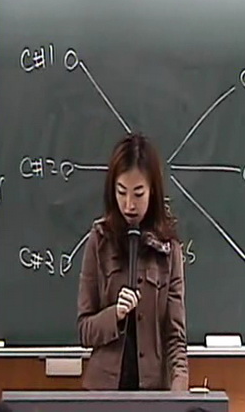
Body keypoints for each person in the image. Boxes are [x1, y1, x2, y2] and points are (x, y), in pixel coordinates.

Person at [77, 133, 188, 391]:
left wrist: (180, 391)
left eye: (138, 193)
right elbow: (84, 329)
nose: (129, 204)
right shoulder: (99, 240)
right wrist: (115, 314)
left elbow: (175, 337)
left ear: (152, 191)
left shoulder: (168, 249)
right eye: (121, 192)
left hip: (153, 391)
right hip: (103, 391)